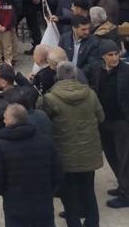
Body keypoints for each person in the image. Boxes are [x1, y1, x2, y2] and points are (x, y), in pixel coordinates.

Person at [41, 61, 104, 227]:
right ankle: (92, 223)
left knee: (69, 196)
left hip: (65, 155)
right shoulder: (90, 94)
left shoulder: (50, 98)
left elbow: (46, 124)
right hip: (89, 153)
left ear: (57, 77)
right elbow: (101, 117)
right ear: (75, 75)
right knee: (89, 191)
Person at [0, 103, 63, 226]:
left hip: (15, 207)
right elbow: (58, 173)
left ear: (11, 121)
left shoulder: (1, 147)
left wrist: (8, 194)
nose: (4, 121)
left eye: (5, 118)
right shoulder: (46, 142)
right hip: (43, 205)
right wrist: (48, 192)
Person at [84, 39, 129, 208]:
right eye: (110, 55)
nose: (115, 57)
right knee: (111, 154)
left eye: (117, 54)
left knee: (125, 158)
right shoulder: (96, 69)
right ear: (103, 56)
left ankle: (126, 194)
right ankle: (123, 184)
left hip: (122, 122)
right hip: (103, 121)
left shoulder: (126, 71)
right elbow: (80, 74)